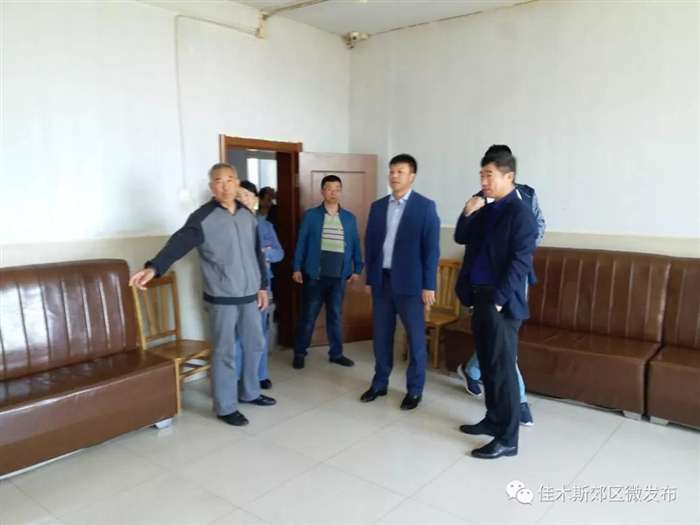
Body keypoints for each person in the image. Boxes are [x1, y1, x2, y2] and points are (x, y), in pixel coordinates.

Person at [129, 163, 276, 427]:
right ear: (212, 187)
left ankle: (250, 392)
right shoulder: (202, 218)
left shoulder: (247, 215)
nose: (225, 185)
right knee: (224, 352)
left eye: (230, 180)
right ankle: (226, 406)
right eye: (219, 181)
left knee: (255, 345)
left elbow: (256, 253)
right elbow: (177, 244)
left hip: (250, 295)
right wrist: (154, 267)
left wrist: (262, 286)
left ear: (237, 183)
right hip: (222, 297)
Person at [454, 147, 538, 459]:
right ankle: (492, 419)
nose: (483, 181)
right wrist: (468, 211)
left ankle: (508, 438)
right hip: (479, 296)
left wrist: (500, 301)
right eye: (481, 175)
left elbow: (520, 263)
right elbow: (461, 237)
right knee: (488, 366)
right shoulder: (487, 208)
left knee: (503, 370)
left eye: (489, 175)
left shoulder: (521, 214)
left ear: (508, 176)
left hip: (501, 302)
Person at [361, 154, 440, 411]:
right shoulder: (378, 207)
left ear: (412, 176)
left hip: (411, 285)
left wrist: (429, 286)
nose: (394, 176)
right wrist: (370, 277)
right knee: (381, 337)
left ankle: (414, 390)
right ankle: (379, 383)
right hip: (382, 282)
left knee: (416, 340)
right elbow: (371, 244)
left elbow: (431, 250)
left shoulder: (425, 207)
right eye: (392, 171)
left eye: (400, 172)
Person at [291, 175, 363, 369]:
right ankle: (300, 352)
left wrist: (357, 268)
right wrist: (296, 267)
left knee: (335, 316)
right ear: (322, 191)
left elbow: (355, 244)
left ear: (341, 191)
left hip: (339, 277)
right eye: (329, 188)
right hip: (315, 276)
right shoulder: (311, 215)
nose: (334, 192)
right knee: (308, 316)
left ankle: (336, 354)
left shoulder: (349, 218)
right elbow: (301, 242)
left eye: (337, 188)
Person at [234, 180, 284, 389]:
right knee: (237, 334)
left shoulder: (265, 225)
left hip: (262, 285)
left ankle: (260, 375)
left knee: (260, 332)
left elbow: (279, 253)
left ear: (255, 199)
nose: (244, 200)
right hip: (236, 287)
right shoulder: (228, 224)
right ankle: (237, 378)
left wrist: (265, 254)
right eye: (240, 196)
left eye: (248, 196)